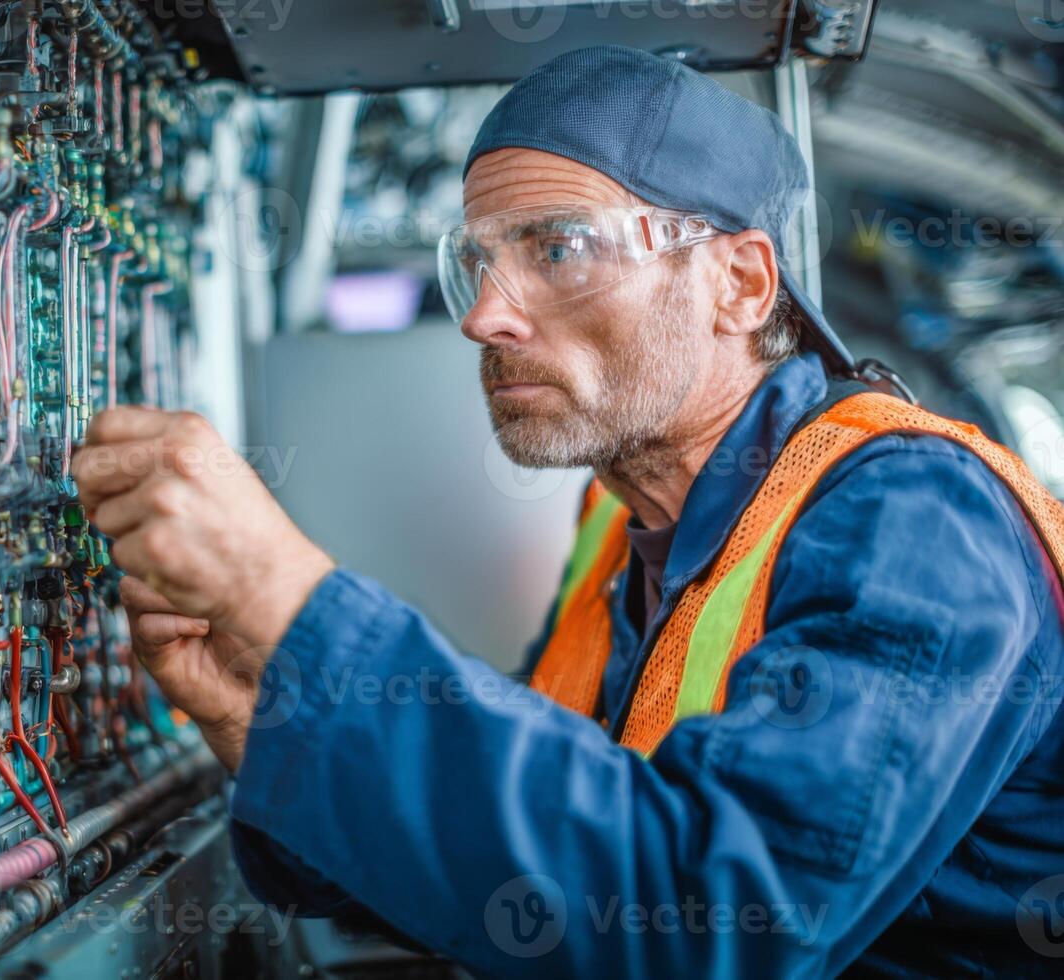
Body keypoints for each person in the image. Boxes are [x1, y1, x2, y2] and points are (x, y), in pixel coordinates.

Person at [71, 46, 1064, 977]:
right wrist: (268, 720)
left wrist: (286, 597)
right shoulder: (627, 533)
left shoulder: (918, 523)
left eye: (557, 247)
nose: (483, 314)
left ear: (741, 282)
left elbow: (711, 920)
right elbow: (551, 865)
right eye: (480, 261)